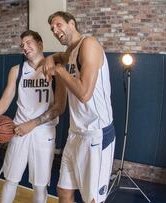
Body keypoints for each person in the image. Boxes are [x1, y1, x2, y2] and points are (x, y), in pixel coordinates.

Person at [0, 30, 66, 203]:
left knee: (40, 184)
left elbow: (59, 107)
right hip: (19, 130)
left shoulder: (56, 70)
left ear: (40, 44)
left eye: (29, 43)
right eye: (22, 45)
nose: (25, 47)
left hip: (44, 132)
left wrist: (33, 124)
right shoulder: (17, 70)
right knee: (11, 179)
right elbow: (5, 100)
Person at [43, 11, 116, 203]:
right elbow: (60, 55)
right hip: (75, 133)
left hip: (96, 134)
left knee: (92, 199)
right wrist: (51, 59)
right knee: (64, 190)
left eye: (58, 25)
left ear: (72, 24)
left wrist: (58, 69)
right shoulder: (70, 52)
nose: (55, 30)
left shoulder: (89, 44)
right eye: (52, 28)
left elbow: (84, 94)